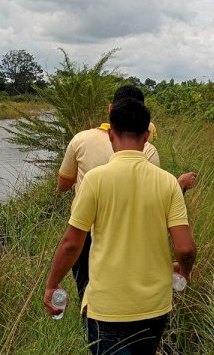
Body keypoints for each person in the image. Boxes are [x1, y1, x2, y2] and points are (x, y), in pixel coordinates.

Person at [44, 97, 197, 353]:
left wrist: (52, 284)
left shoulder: (95, 180)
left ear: (111, 134)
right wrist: (184, 270)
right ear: (146, 136)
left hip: (107, 309)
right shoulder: (169, 182)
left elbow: (71, 245)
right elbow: (186, 248)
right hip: (154, 307)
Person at [57, 85, 196, 300]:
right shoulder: (150, 151)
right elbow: (153, 195)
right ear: (145, 126)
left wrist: (51, 285)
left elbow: (64, 186)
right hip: (130, 233)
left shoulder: (81, 140)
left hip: (84, 229)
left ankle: (92, 320)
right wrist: (179, 184)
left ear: (111, 109)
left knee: (87, 289)